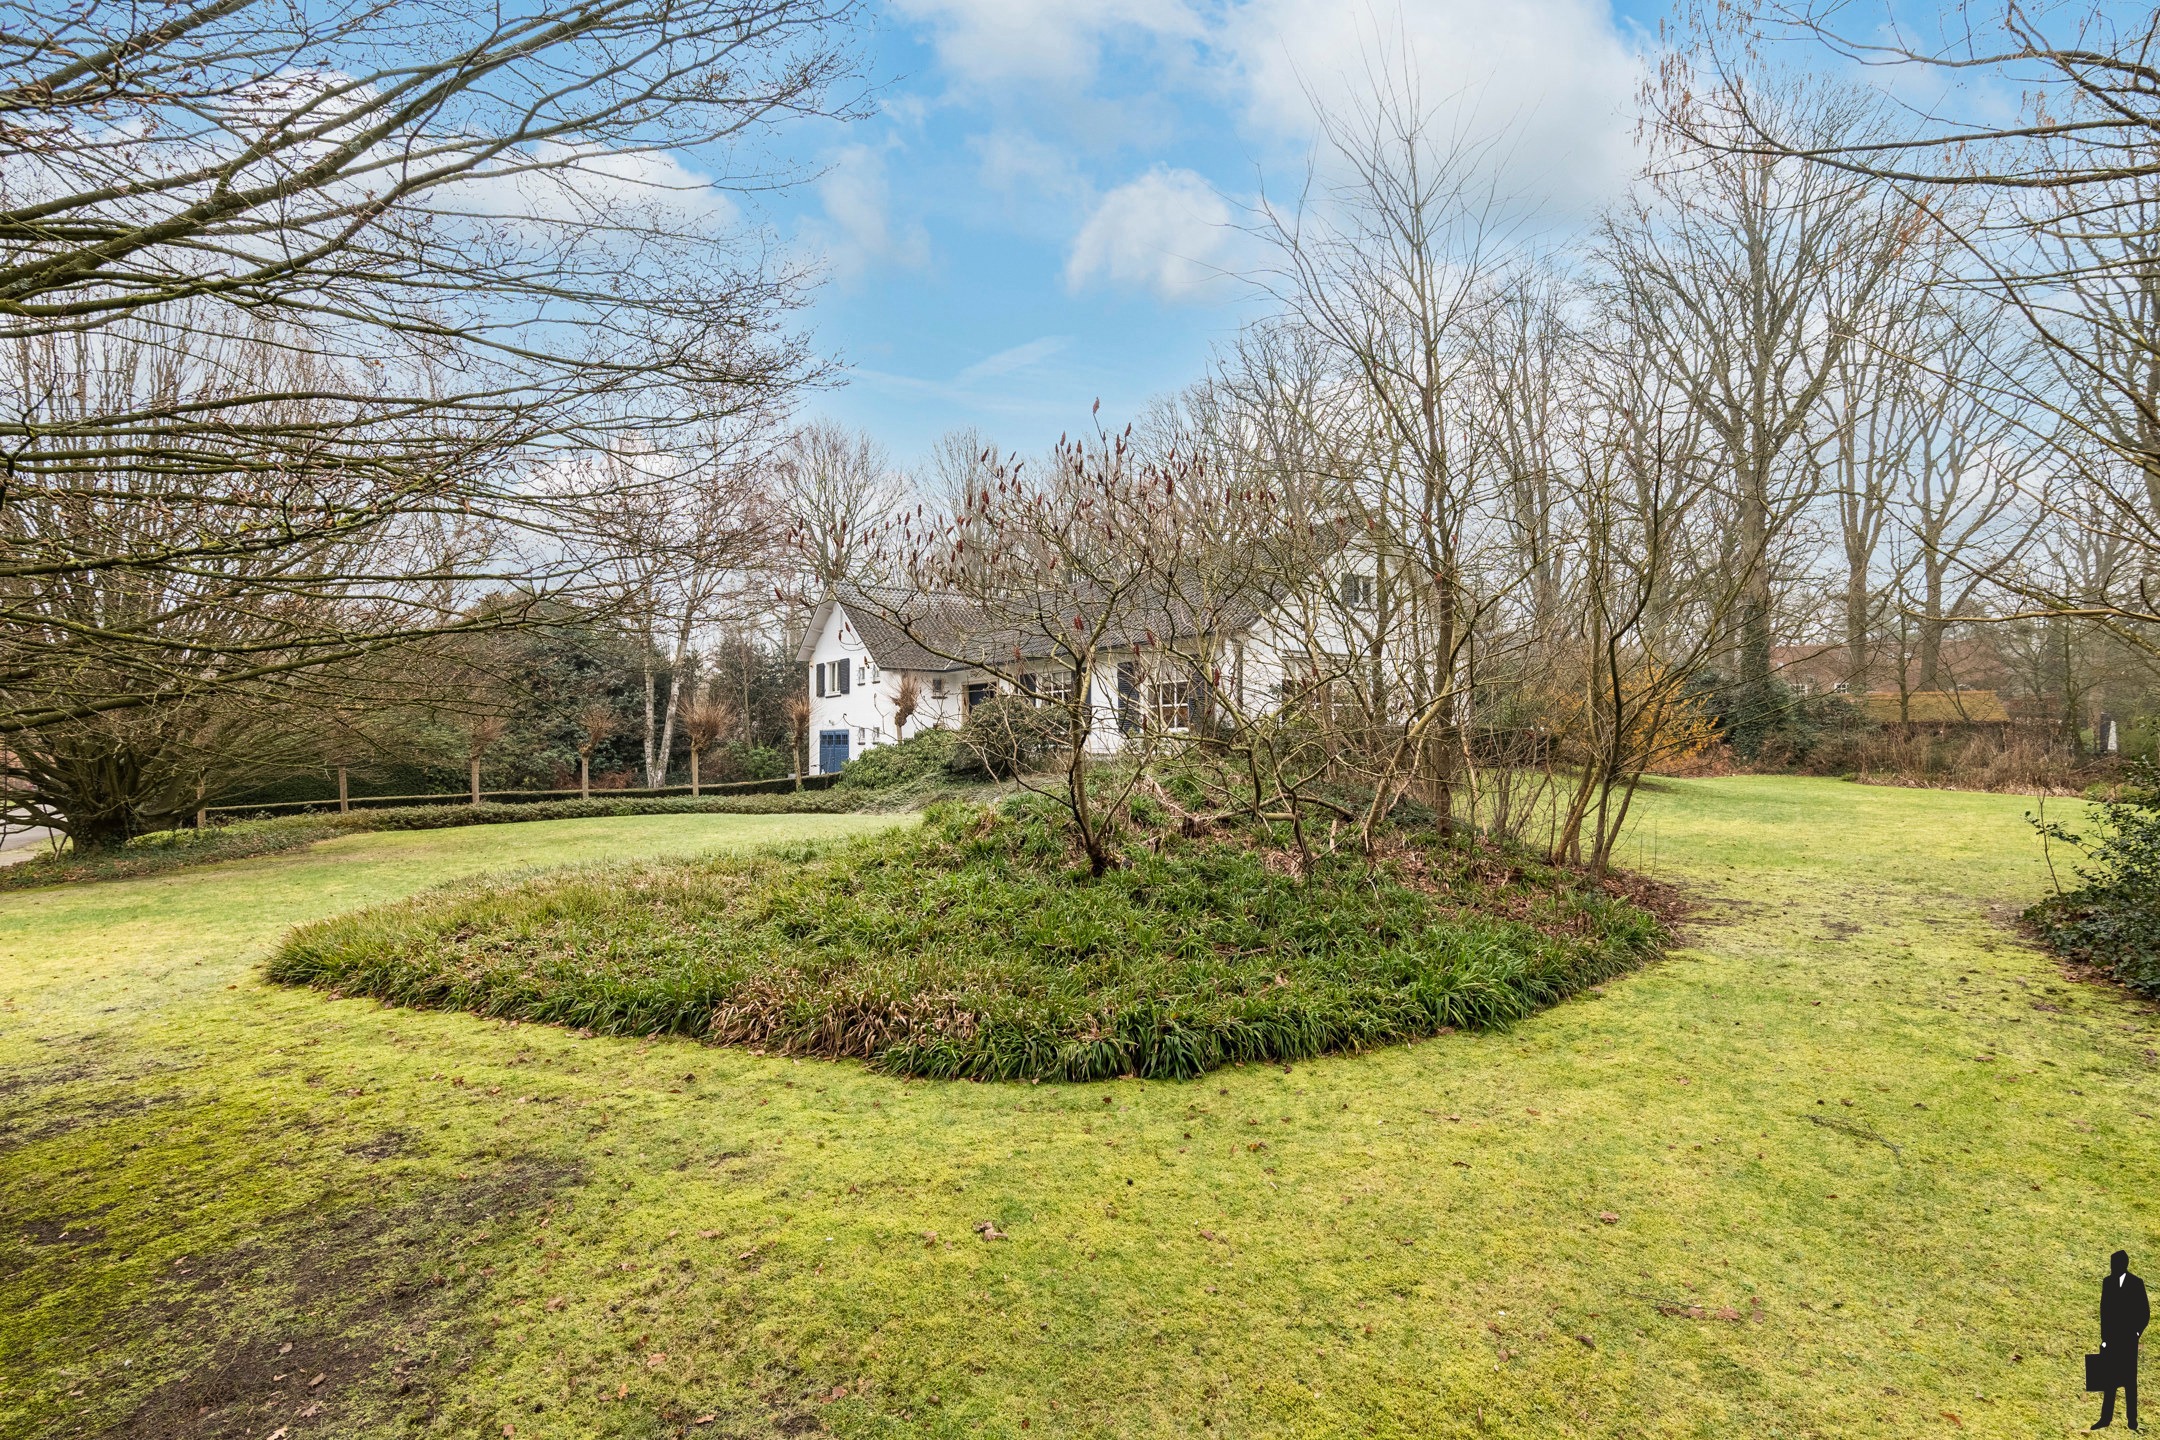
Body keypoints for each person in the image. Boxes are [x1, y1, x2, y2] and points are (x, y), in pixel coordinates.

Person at [2096, 1249, 2150, 1430]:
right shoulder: (2108, 1282)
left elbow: (2144, 1312)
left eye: (2115, 1264)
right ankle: (2105, 1418)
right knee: (2109, 1379)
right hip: (2112, 1339)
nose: (2113, 1268)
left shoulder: (2136, 1283)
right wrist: (2104, 1338)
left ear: (2123, 1265)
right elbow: (2104, 1312)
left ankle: (2132, 1419)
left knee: (2129, 1381)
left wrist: (2136, 1333)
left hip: (2128, 1340)